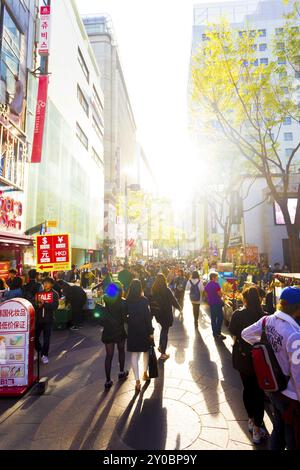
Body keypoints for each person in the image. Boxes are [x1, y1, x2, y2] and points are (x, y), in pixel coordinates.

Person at [242, 286, 300, 450]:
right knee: (292, 437)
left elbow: (246, 334)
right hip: (290, 395)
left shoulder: (268, 320)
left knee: (278, 428)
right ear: (297, 308)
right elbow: (298, 374)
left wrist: (268, 349)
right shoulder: (294, 334)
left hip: (273, 387)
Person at [229, 286, 266, 445]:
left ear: (244, 300)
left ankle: (251, 420)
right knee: (259, 393)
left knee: (247, 389)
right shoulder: (265, 316)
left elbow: (232, 332)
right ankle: (257, 428)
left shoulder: (238, 314)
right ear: (259, 299)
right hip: (260, 361)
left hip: (243, 359)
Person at [98, 282, 128, 389]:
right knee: (121, 351)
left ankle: (107, 380)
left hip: (108, 331)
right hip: (120, 331)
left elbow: (100, 318)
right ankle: (121, 372)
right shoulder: (123, 302)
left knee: (109, 356)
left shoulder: (105, 300)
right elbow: (125, 318)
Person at [125, 279, 154, 392]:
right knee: (145, 351)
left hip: (132, 330)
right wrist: (150, 331)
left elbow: (125, 316)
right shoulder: (144, 300)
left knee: (134, 354)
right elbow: (148, 317)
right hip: (144, 329)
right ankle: (145, 373)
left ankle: (137, 381)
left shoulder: (127, 301)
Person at [151, 273, 182, 361]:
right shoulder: (167, 290)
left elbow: (152, 302)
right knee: (165, 331)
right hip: (166, 314)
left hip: (159, 315)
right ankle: (163, 353)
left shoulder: (154, 290)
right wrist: (179, 308)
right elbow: (173, 300)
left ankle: (161, 347)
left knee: (163, 330)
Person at [35, 277, 59, 364]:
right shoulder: (39, 293)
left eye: (48, 283)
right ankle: (39, 350)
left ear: (52, 284)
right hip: (38, 319)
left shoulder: (55, 294)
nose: (45, 284)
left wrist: (44, 303)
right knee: (35, 337)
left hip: (48, 320)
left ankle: (44, 355)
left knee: (46, 339)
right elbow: (36, 305)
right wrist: (38, 305)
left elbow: (54, 306)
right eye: (44, 283)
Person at [204, 272, 226, 340]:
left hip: (211, 303)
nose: (218, 278)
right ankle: (218, 333)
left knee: (213, 318)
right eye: (216, 277)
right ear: (213, 277)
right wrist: (222, 295)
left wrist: (209, 299)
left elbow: (205, 294)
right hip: (217, 303)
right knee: (220, 317)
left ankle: (214, 332)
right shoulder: (216, 285)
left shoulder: (207, 285)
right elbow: (220, 294)